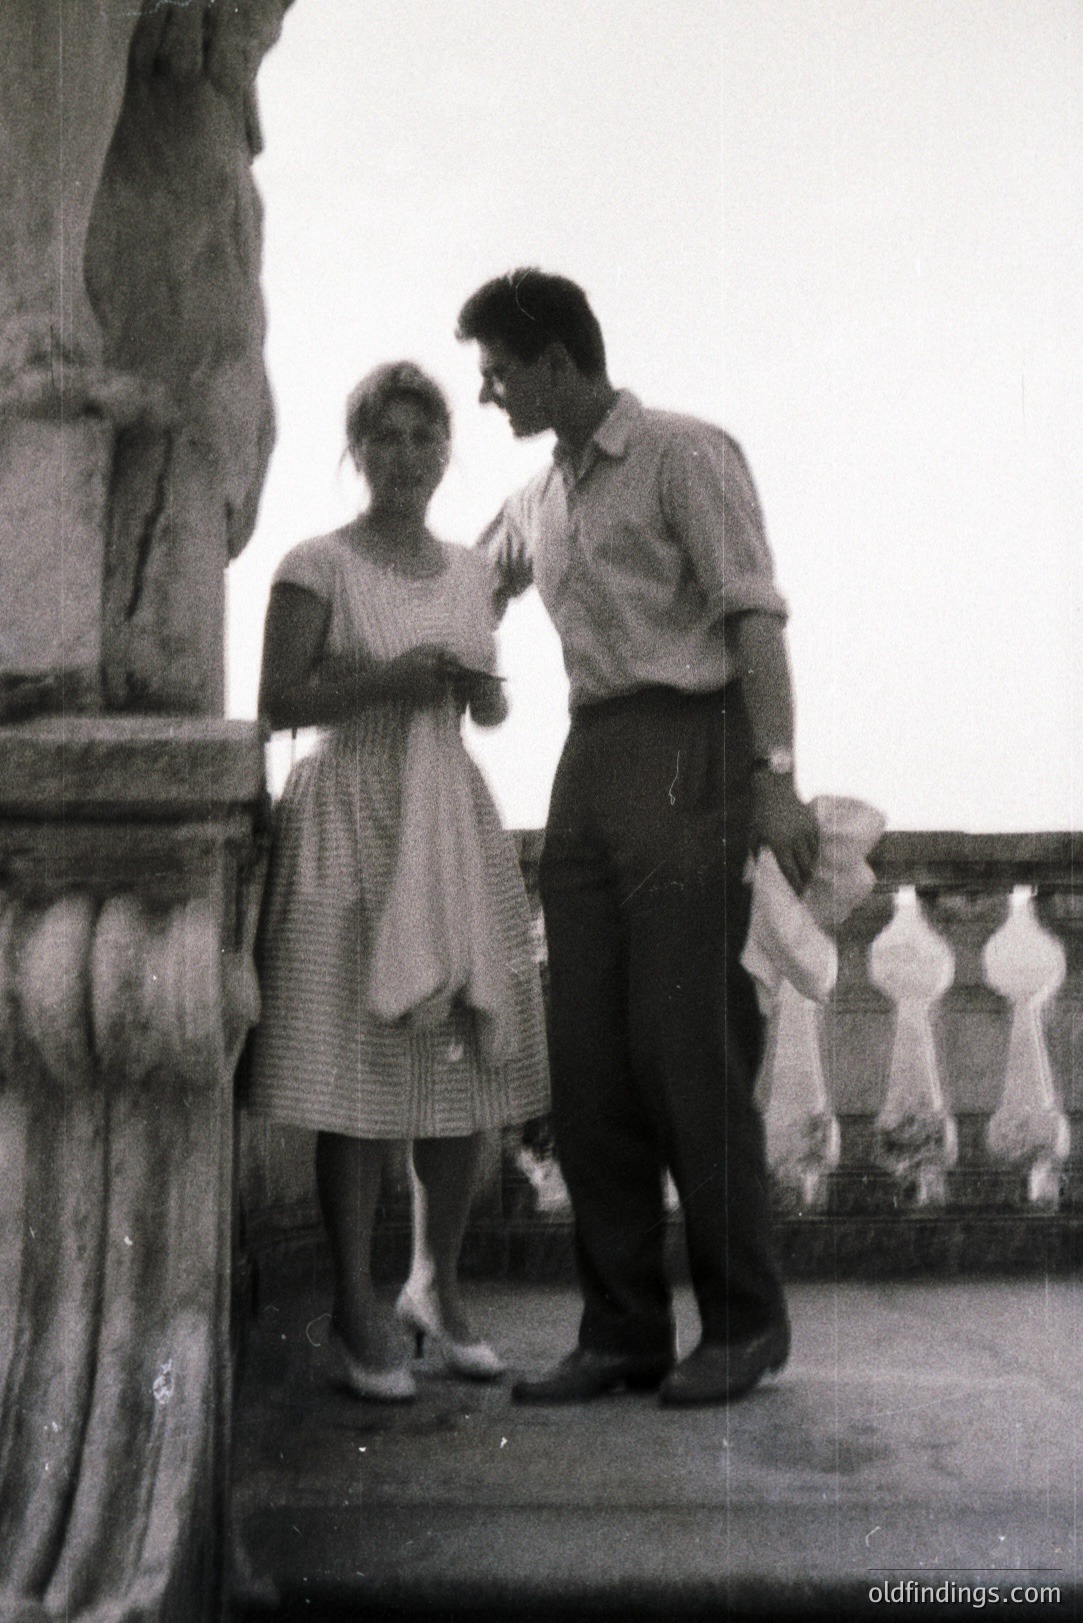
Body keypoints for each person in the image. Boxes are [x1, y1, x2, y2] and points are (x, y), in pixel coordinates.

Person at [457, 270, 819, 1406]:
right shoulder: (535, 499)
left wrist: (777, 779)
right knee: (589, 1062)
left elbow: (752, 616)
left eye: (500, 370)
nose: (488, 393)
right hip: (589, 759)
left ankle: (745, 1324)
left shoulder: (684, 453)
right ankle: (620, 1330)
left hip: (692, 748)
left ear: (558, 358)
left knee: (687, 1051)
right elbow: (465, 587)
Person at [247, 361, 549, 1402]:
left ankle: (436, 1284)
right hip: (349, 819)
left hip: (445, 817)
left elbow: (482, 705)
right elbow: (279, 699)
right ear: (357, 450)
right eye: (388, 438)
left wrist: (480, 696)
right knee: (357, 1071)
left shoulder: (470, 573)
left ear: (445, 452)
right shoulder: (314, 564)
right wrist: (388, 678)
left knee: (462, 1067)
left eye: (426, 438)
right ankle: (351, 1304)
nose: (408, 457)